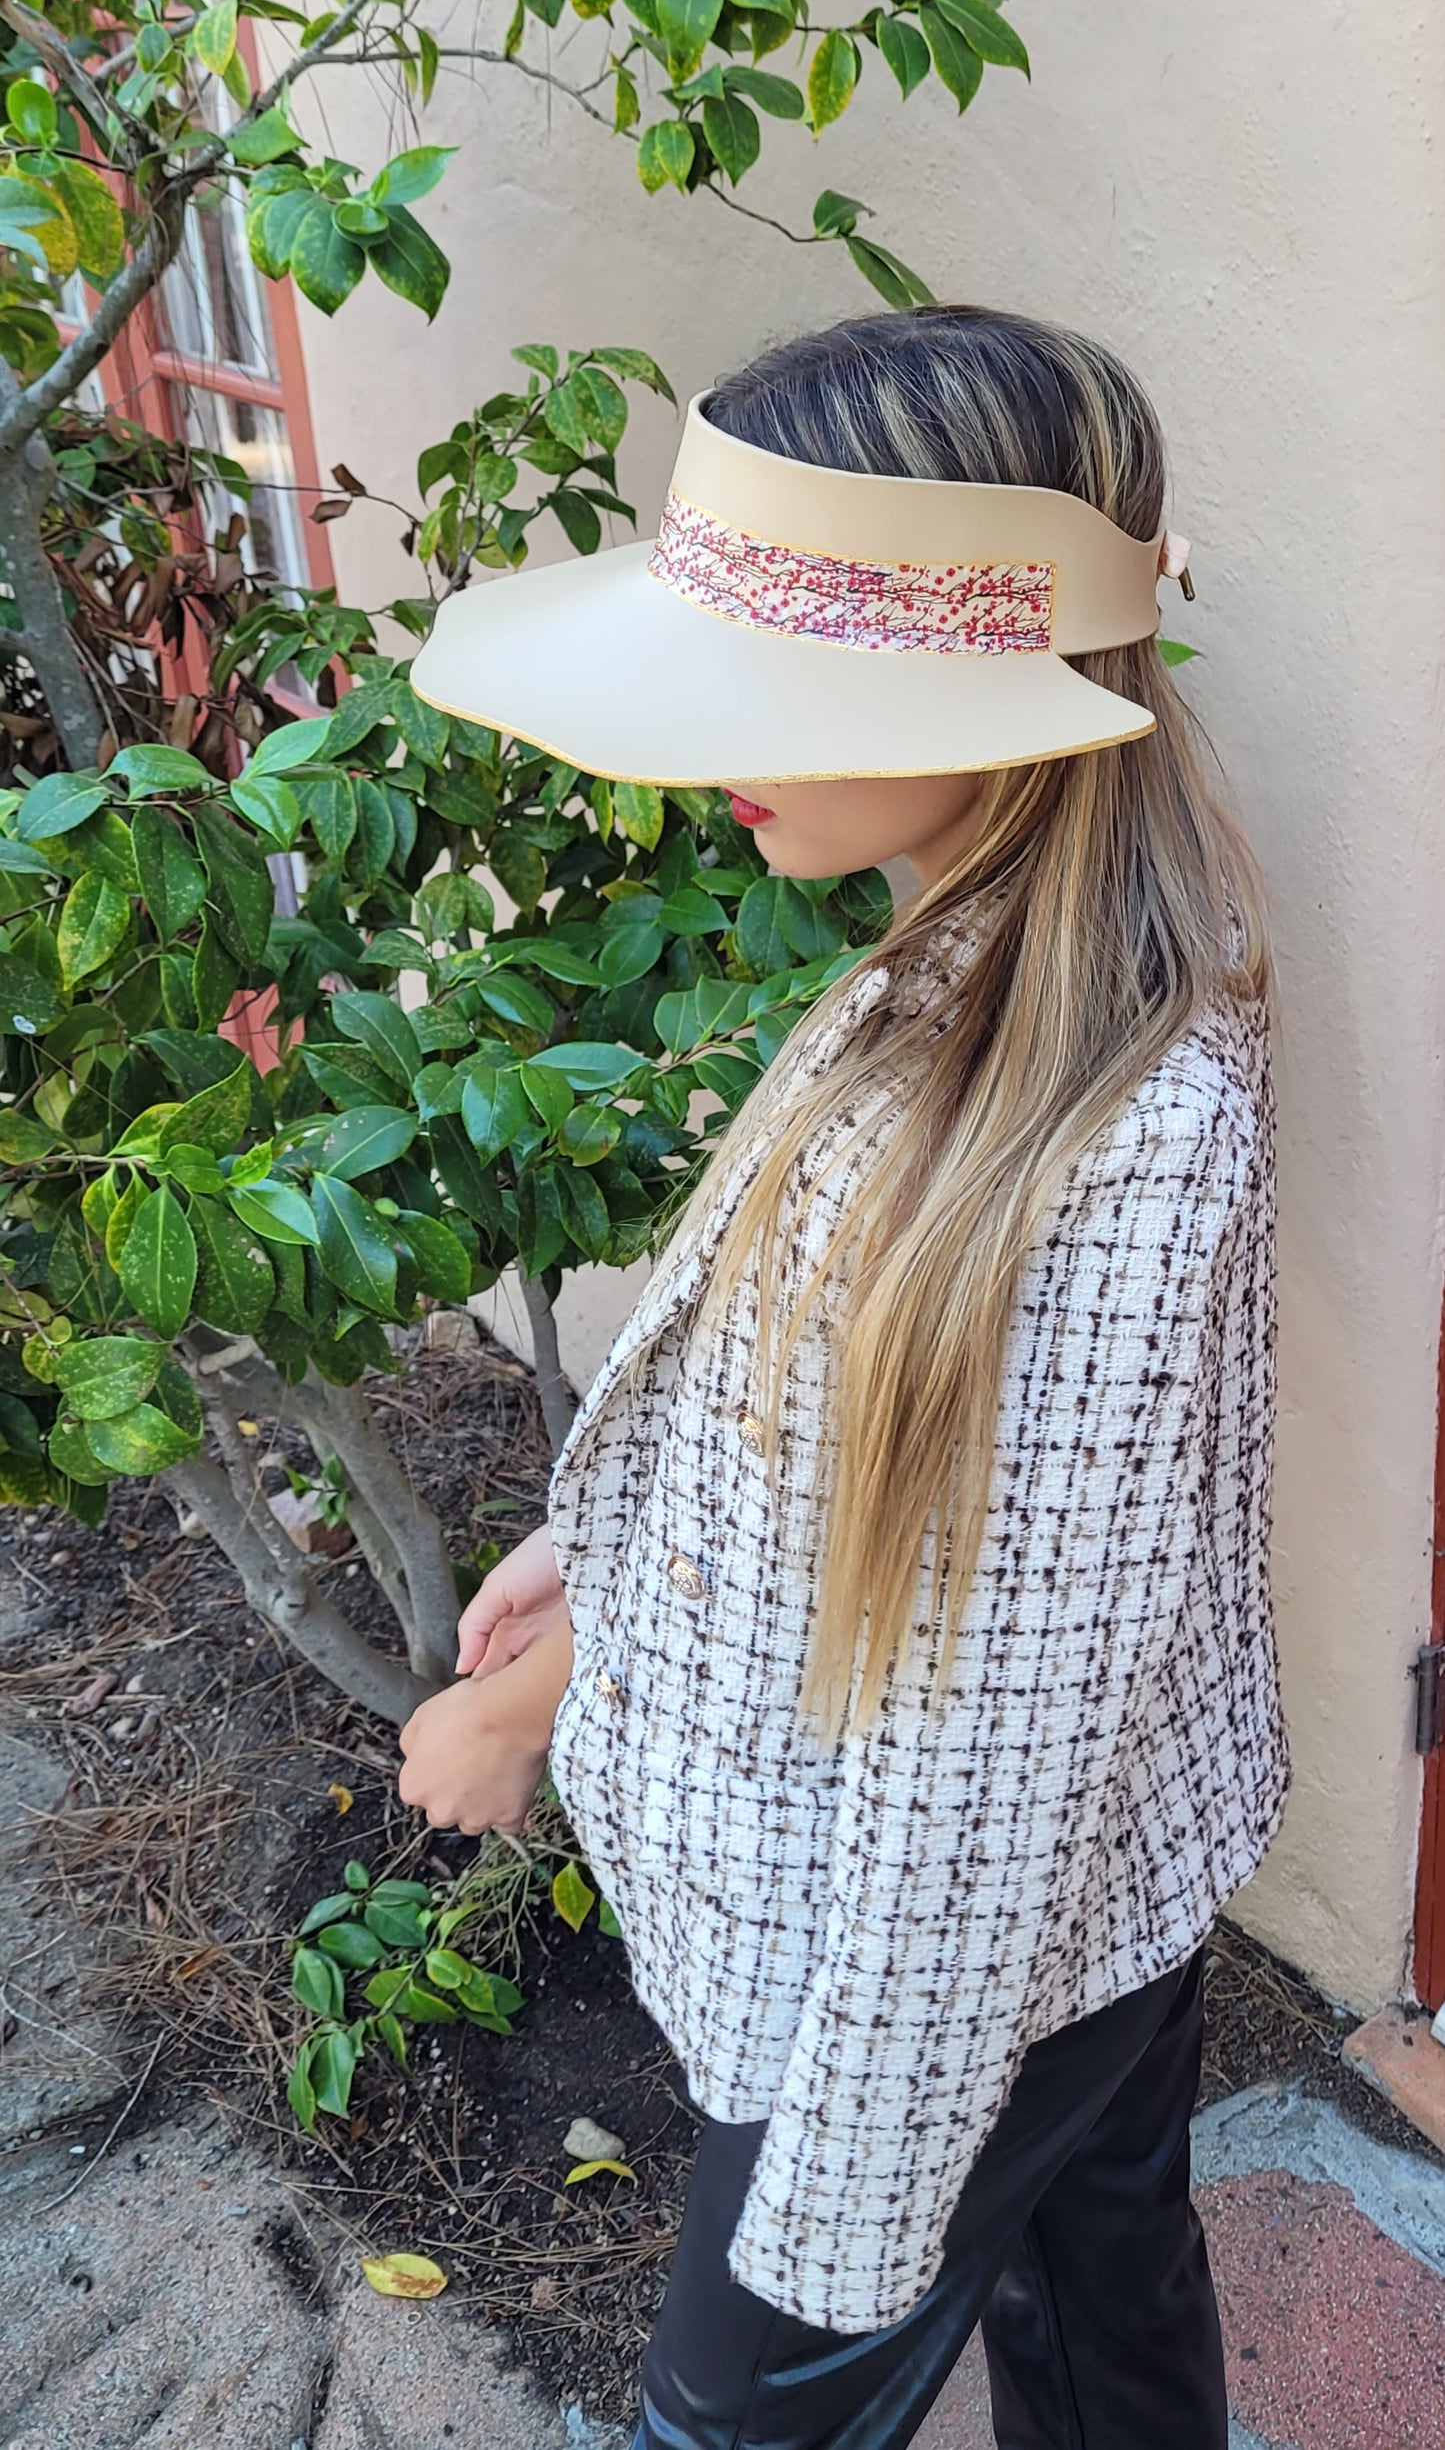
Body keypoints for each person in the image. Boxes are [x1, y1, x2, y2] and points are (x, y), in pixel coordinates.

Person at [397, 304, 1291, 2449]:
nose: (726, 732)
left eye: (793, 674)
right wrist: (596, 1567)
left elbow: (984, 1776)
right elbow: (824, 1417)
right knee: (1108, 2308)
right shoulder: (960, 953)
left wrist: (830, 2220)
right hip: (1082, 1911)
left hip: (912, 1993)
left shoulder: (1113, 1128)